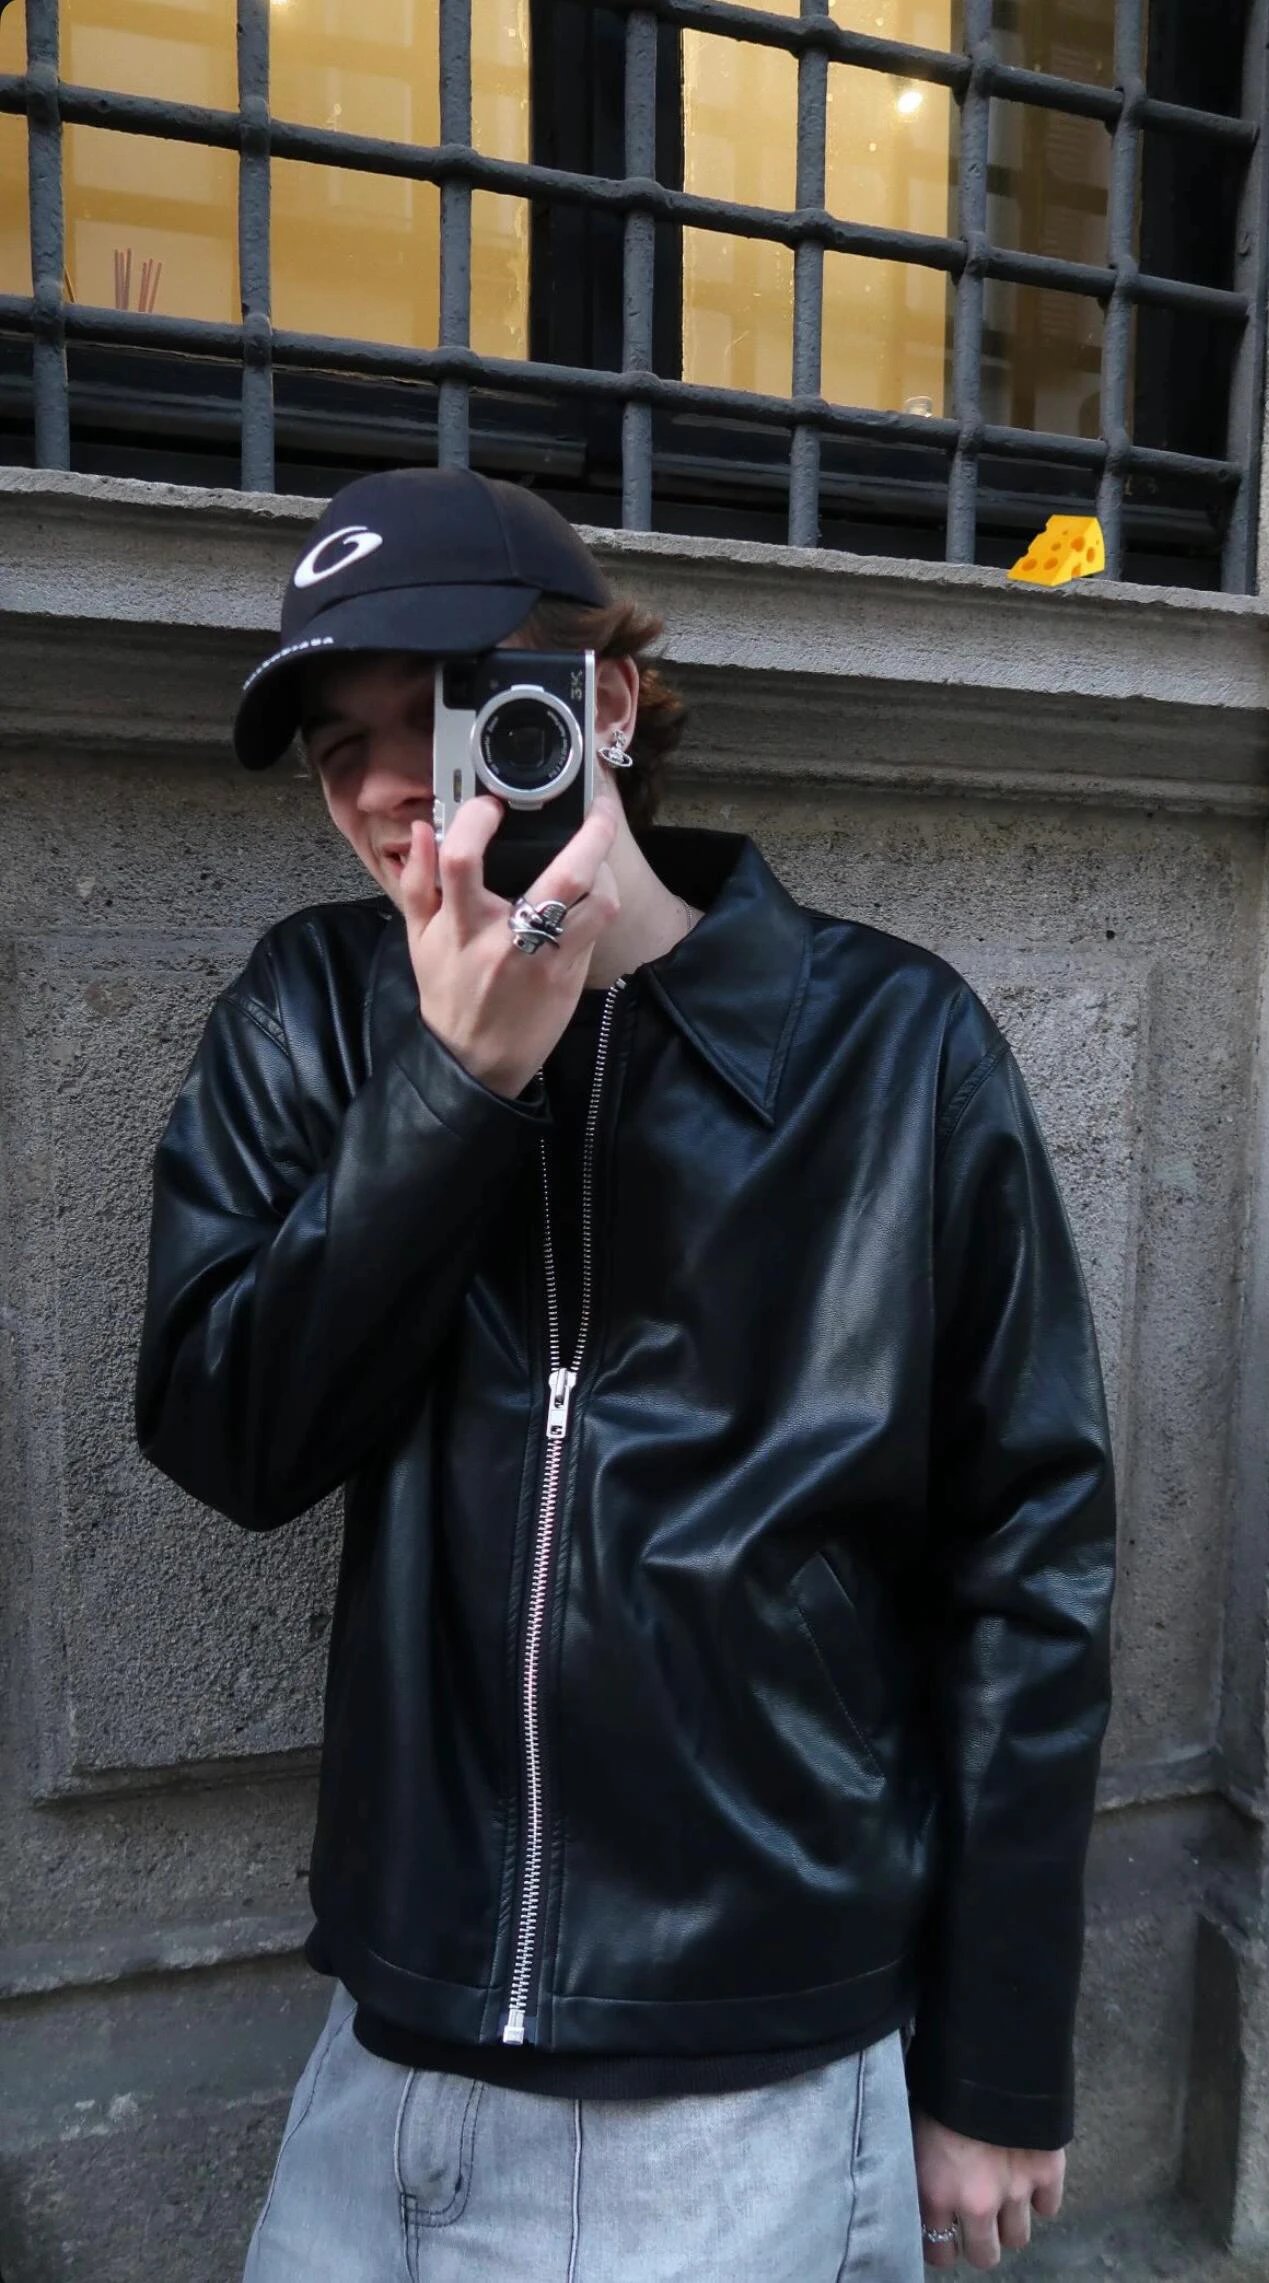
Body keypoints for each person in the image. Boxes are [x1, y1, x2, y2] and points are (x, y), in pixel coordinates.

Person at [134, 465, 1116, 2281]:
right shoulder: (311, 1014)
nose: (385, 785)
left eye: (438, 710)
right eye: (337, 750)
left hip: (743, 2069)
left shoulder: (890, 1050)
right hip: (389, 2048)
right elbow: (230, 1435)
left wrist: (994, 2058)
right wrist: (451, 1091)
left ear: (595, 702)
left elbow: (1029, 1566)